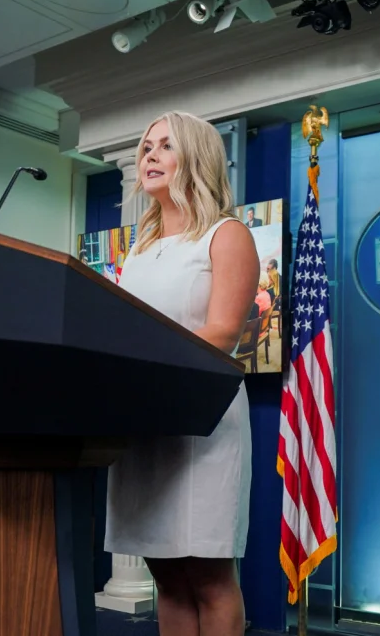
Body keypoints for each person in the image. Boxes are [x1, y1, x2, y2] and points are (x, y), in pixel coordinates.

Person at [107, 111, 258, 636]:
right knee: (167, 577)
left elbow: (222, 333)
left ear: (196, 158)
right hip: (145, 423)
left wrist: (148, 370)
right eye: (145, 146)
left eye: (164, 146)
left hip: (202, 423)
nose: (148, 155)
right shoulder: (140, 250)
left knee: (210, 579)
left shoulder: (226, 233)